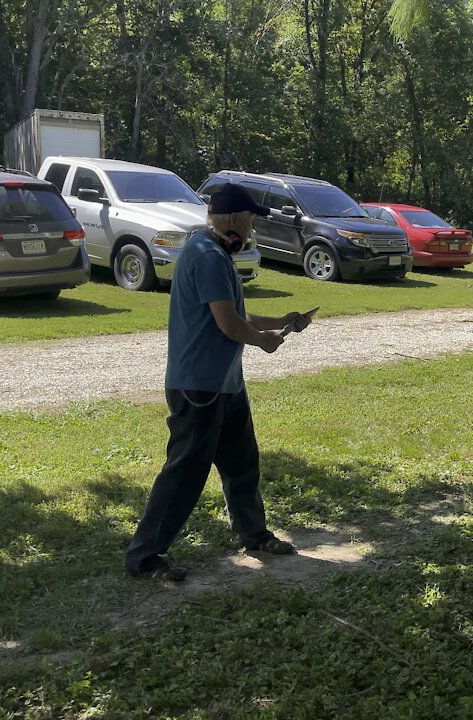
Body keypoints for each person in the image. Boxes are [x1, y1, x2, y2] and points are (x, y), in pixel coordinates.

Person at [125, 183, 313, 582]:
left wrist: (281, 321)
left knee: (242, 464)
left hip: (225, 385)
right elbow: (228, 325)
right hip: (200, 387)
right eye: (249, 219)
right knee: (185, 473)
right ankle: (143, 557)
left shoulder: (212, 253)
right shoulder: (207, 255)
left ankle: (254, 534)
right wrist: (264, 342)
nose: (251, 228)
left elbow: (235, 313)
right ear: (231, 219)